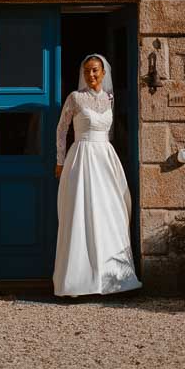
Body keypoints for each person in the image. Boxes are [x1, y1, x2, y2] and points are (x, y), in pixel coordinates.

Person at [52, 53, 142, 297]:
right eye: (87, 71)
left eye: (95, 70)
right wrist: (60, 161)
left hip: (105, 158)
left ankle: (115, 279)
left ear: (103, 73)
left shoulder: (109, 99)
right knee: (80, 212)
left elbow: (109, 132)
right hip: (81, 157)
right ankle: (78, 282)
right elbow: (61, 129)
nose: (91, 75)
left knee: (111, 211)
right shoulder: (75, 98)